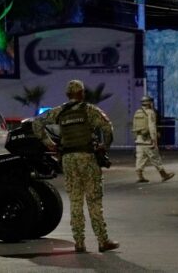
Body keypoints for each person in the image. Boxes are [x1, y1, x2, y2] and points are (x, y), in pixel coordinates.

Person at [32, 79, 119, 253]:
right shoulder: (89, 110)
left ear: (68, 95)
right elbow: (108, 128)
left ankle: (79, 242)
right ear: (81, 93)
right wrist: (104, 146)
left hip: (69, 160)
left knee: (75, 201)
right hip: (87, 158)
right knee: (93, 200)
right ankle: (102, 241)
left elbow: (36, 123)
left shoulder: (59, 112)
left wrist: (49, 144)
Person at [132, 95, 175, 183]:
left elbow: (134, 126)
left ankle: (140, 176)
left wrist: (136, 138)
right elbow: (152, 127)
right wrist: (154, 139)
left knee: (140, 158)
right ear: (150, 103)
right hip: (148, 140)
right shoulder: (150, 112)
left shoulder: (137, 112)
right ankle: (164, 175)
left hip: (139, 139)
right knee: (155, 157)